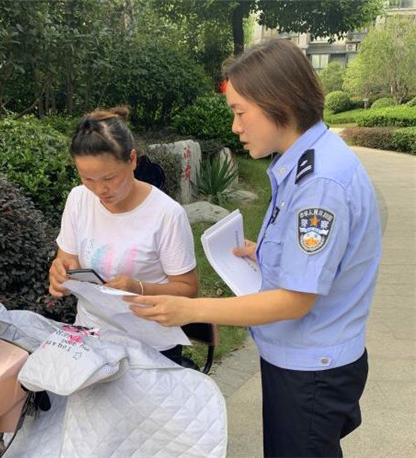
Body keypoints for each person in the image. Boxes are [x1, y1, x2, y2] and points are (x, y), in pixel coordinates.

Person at [127, 39, 381, 457]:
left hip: (310, 370)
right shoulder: (305, 160)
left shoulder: (319, 183)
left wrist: (192, 309)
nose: (235, 127)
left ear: (278, 102)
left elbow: (294, 300)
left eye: (240, 113)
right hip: (303, 359)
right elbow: (315, 257)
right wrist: (267, 253)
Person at [49, 106, 198, 363]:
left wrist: (137, 288)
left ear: (132, 160)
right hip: (92, 336)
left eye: (109, 178)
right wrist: (60, 273)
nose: (100, 190)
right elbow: (67, 260)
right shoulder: (78, 199)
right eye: (88, 179)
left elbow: (188, 289)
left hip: (151, 346)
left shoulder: (166, 214)